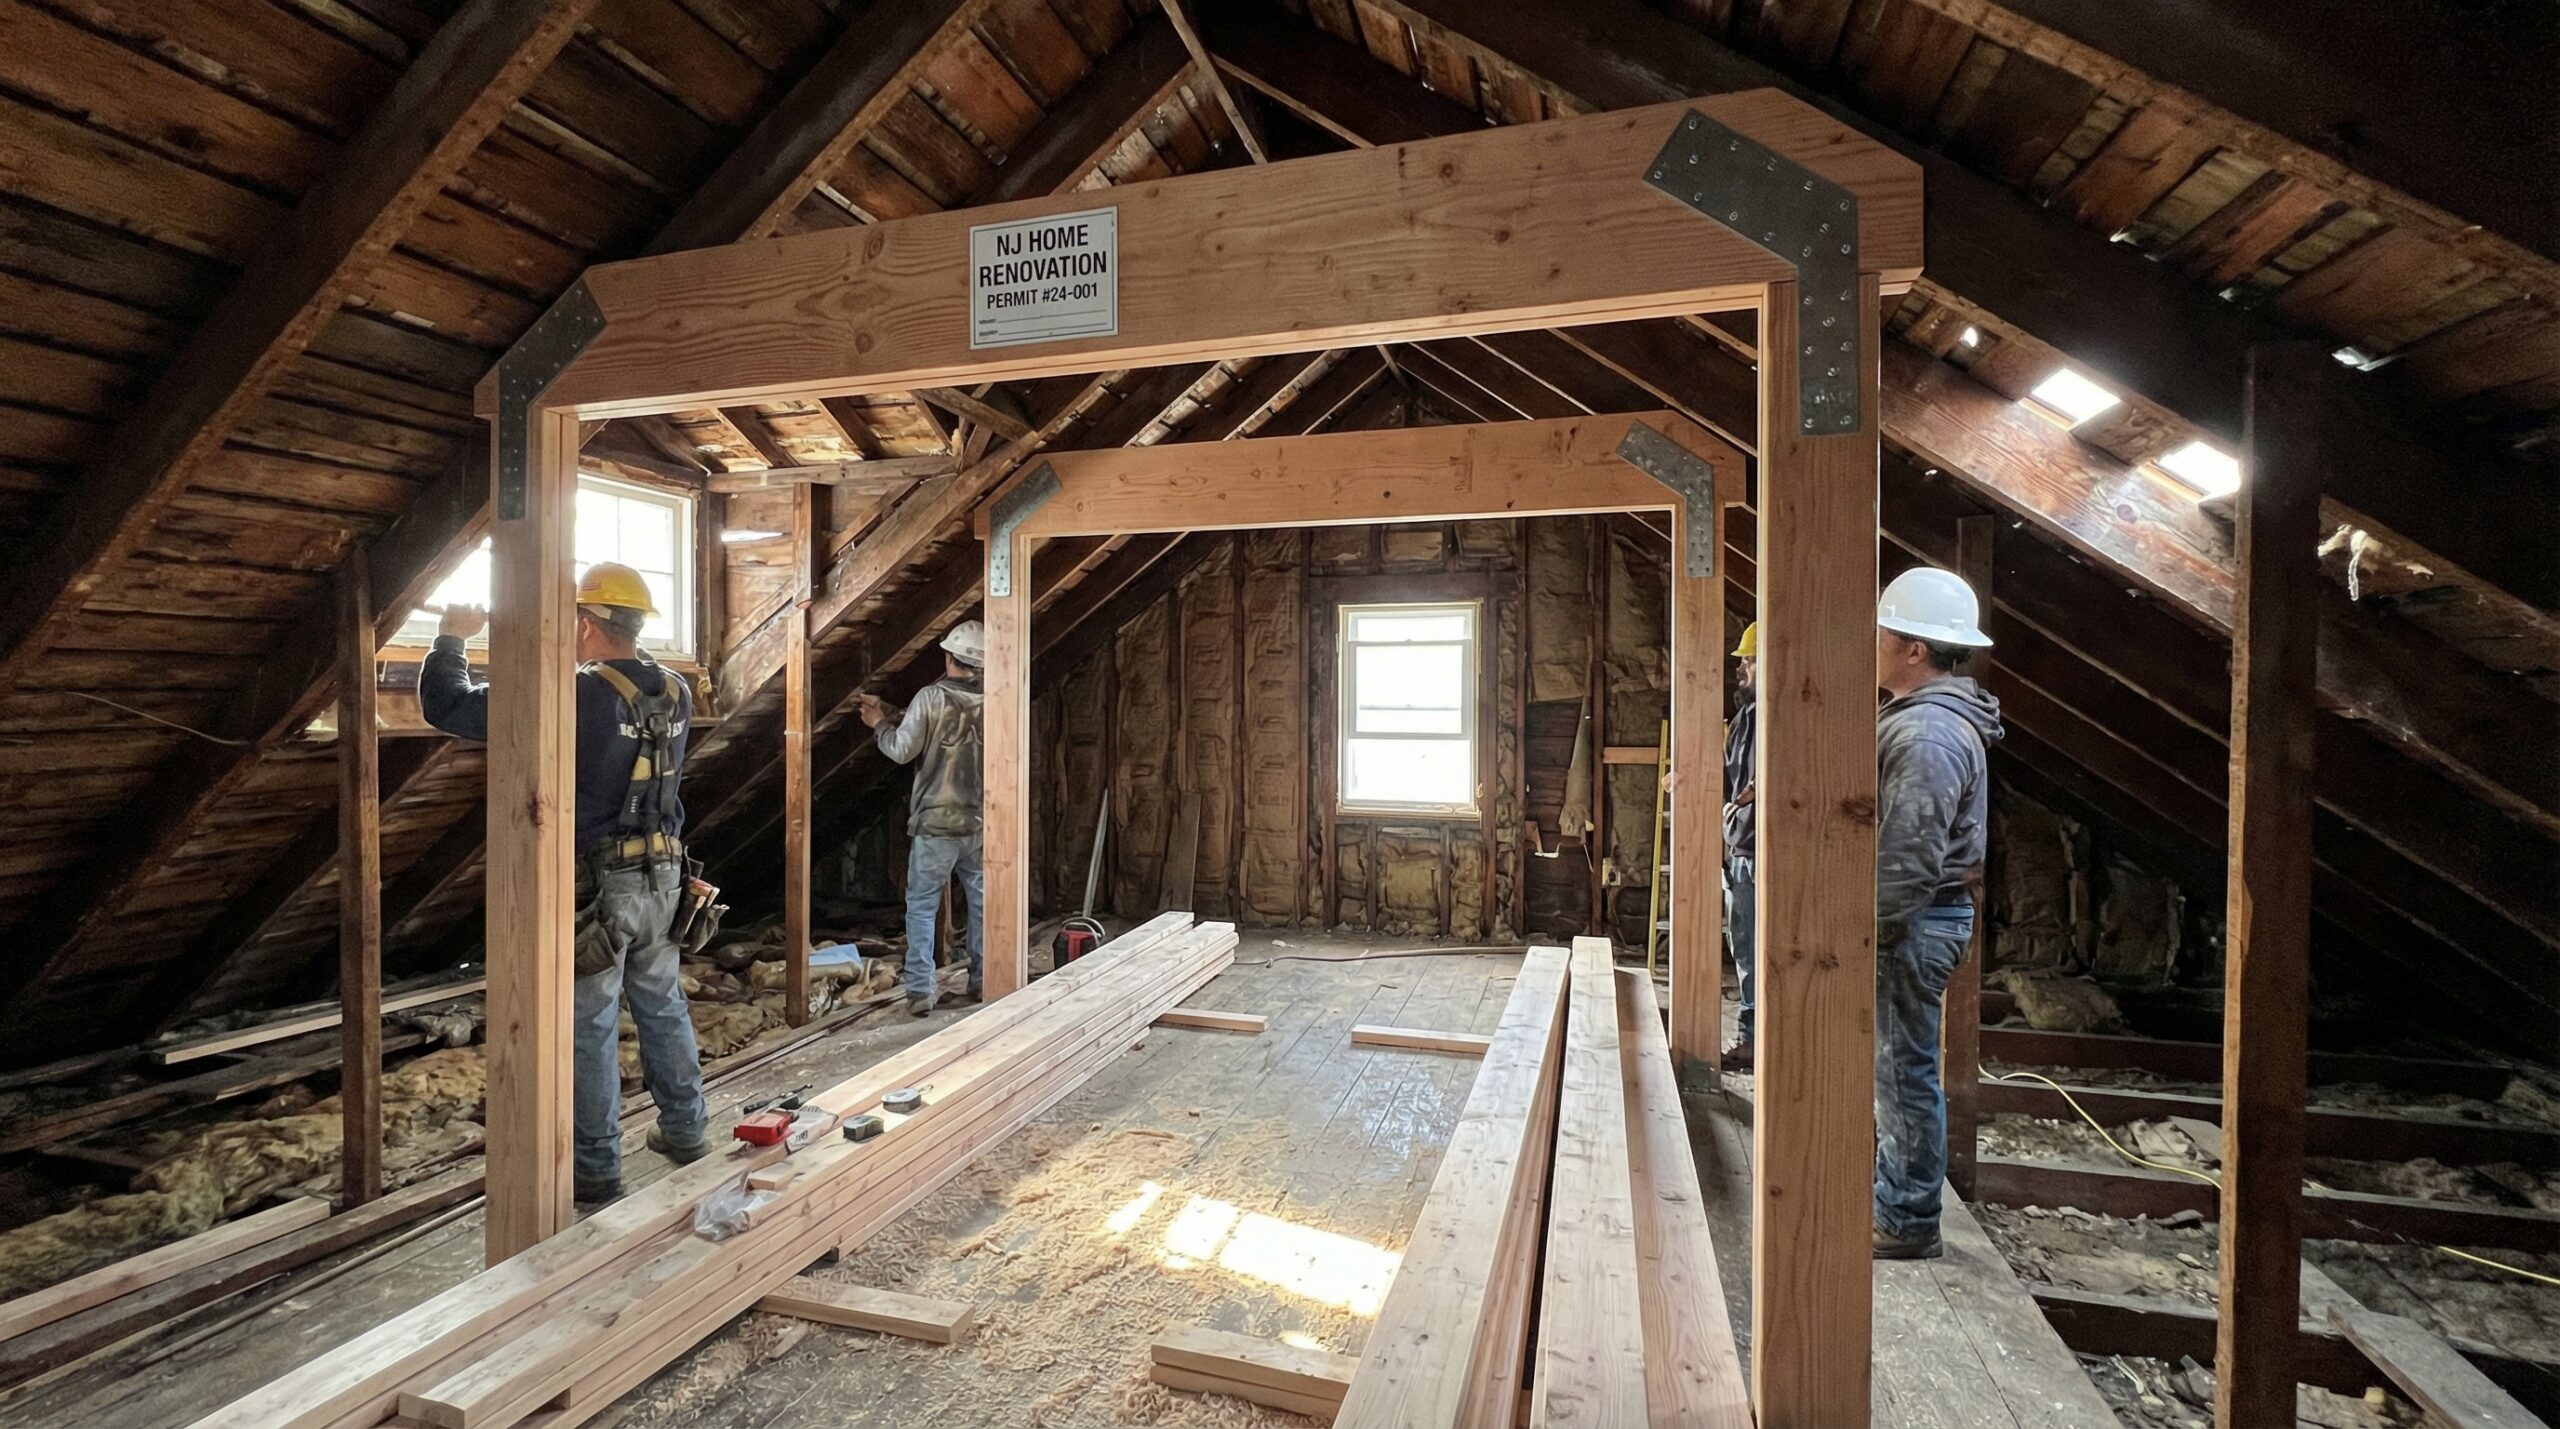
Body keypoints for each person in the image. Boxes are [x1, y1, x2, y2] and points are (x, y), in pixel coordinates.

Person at [421, 563, 711, 1208]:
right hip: (665, 875)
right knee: (663, 1006)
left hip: (600, 888)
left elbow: (450, 707)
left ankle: (597, 1171)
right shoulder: (676, 688)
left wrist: (451, 638)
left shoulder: (574, 693)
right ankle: (688, 1133)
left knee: (591, 1025)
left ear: (583, 623)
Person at [1869, 566, 2002, 1260]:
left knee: (1901, 1068)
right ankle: (1899, 1190)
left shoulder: (1927, 736)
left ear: (1915, 648)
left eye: (1883, 631)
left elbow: (1910, 856)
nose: (1874, 642)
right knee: (1896, 1063)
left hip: (1913, 921)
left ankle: (1908, 1215)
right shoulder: (1925, 720)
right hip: (1923, 918)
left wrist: (1871, 931)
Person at [860, 621, 987, 1017]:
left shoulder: (931, 697)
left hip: (935, 823)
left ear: (949, 657)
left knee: (921, 906)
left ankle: (920, 991)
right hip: (981, 824)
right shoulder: (995, 698)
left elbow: (901, 749)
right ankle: (985, 981)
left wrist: (878, 723)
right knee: (983, 905)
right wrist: (896, 711)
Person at [1721, 622, 1761, 1073]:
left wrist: (1743, 802)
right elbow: (1738, 782)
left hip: (1756, 849)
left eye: (1748, 660)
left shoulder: (1778, 715)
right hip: (1742, 846)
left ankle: (1753, 1040)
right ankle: (1753, 1036)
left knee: (1752, 952)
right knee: (1744, 950)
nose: (1742, 669)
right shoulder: (1747, 715)